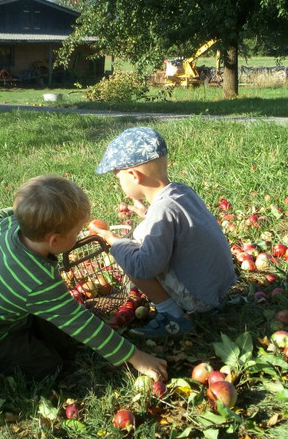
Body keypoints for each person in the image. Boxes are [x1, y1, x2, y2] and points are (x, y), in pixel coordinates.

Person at [0, 174, 168, 382]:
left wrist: (26, 215)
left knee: (63, 341)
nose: (80, 234)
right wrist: (136, 357)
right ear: (54, 241)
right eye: (76, 232)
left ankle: (9, 338)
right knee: (48, 367)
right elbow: (83, 324)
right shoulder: (37, 280)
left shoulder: (9, 226)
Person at [90, 127, 236, 337]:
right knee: (139, 247)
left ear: (134, 175)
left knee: (131, 256)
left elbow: (144, 268)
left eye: (118, 178)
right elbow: (178, 220)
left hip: (199, 298)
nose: (119, 183)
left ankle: (172, 317)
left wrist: (112, 240)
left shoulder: (162, 211)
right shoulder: (180, 190)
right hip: (218, 286)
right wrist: (148, 214)